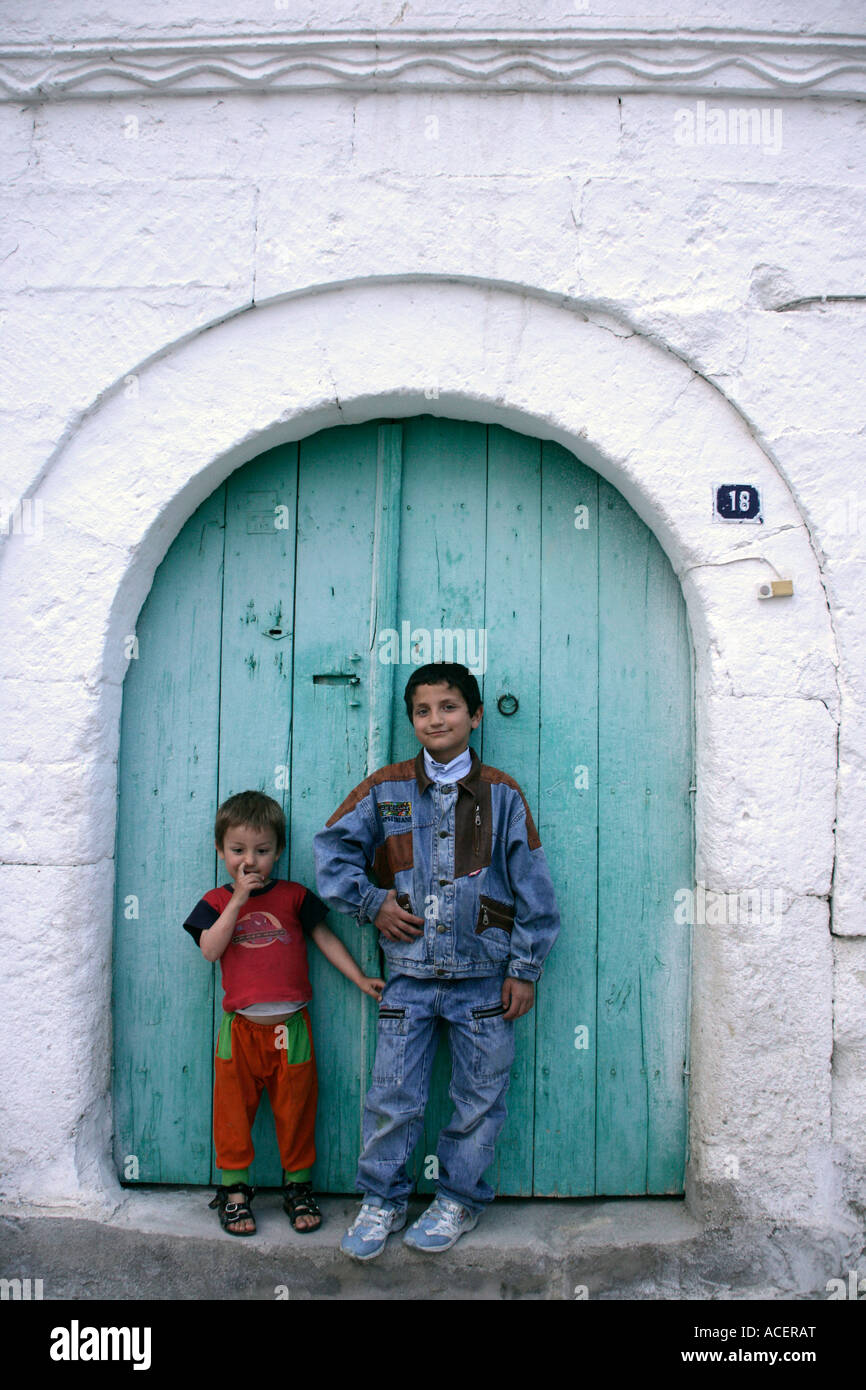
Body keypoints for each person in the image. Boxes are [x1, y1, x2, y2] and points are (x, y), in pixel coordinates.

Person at [313, 662, 561, 1259]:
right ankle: (382, 1201)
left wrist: (523, 971)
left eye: (449, 708)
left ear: (475, 716)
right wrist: (372, 904)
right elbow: (332, 854)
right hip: (409, 977)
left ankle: (459, 1199)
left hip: (484, 983)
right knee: (392, 1096)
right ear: (412, 721)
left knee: (479, 1099)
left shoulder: (500, 795)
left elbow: (533, 889)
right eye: (422, 711)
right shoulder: (387, 791)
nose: (436, 720)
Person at [183, 789, 384, 1237]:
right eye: (237, 851)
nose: (249, 860)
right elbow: (211, 952)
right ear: (220, 851)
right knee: (233, 1113)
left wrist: (359, 978)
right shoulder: (215, 903)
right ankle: (235, 1193)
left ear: (279, 851)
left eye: (262, 850)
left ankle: (298, 1188)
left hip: (290, 1029)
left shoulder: (294, 897)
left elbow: (326, 939)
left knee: (297, 1111)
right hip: (240, 1032)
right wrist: (237, 899)